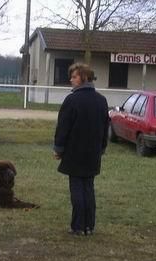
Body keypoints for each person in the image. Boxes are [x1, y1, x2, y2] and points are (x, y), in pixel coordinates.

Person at [53, 63, 109, 236]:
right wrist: (102, 148)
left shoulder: (72, 100)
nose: (71, 80)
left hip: (74, 152)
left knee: (77, 188)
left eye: (74, 76)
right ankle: (89, 226)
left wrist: (58, 148)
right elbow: (104, 128)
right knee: (88, 188)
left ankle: (78, 226)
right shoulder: (101, 100)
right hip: (93, 152)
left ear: (84, 77)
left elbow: (63, 127)